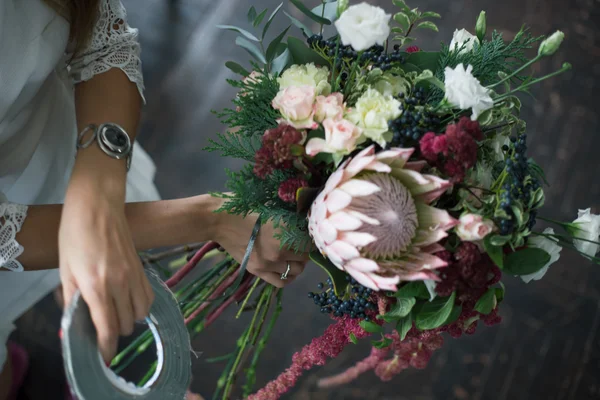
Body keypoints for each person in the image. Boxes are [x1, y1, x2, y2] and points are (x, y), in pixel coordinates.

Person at [0, 1, 307, 399]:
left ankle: (85, 347)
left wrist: (96, 196)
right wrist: (209, 217)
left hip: (58, 139)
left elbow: (102, 39)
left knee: (96, 282)